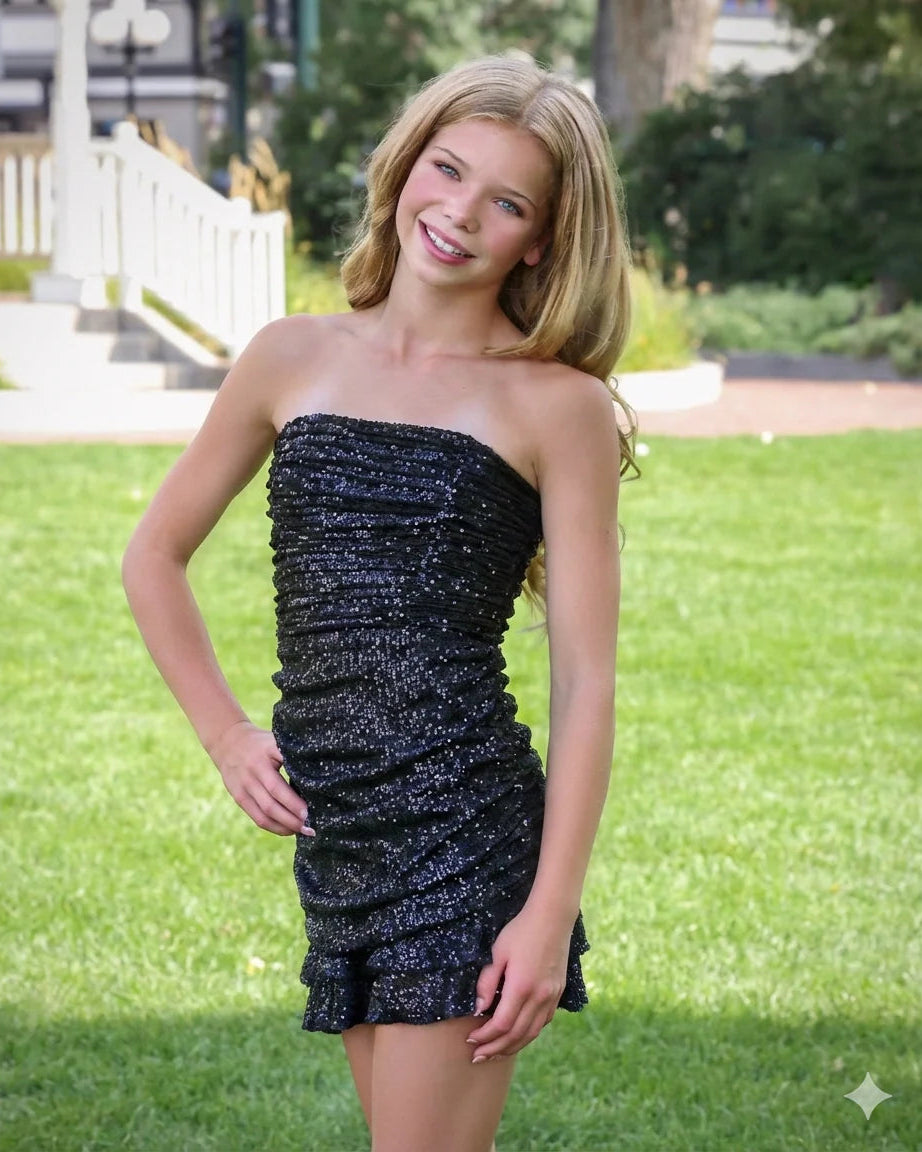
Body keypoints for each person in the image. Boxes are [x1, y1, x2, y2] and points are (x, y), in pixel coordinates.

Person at [122, 51, 637, 1152]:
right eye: (446, 170)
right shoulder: (291, 355)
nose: (458, 213)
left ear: (541, 238)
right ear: (406, 165)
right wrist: (224, 735)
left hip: (463, 827)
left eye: (506, 202)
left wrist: (545, 918)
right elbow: (153, 555)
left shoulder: (559, 407)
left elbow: (587, 681)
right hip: (344, 833)